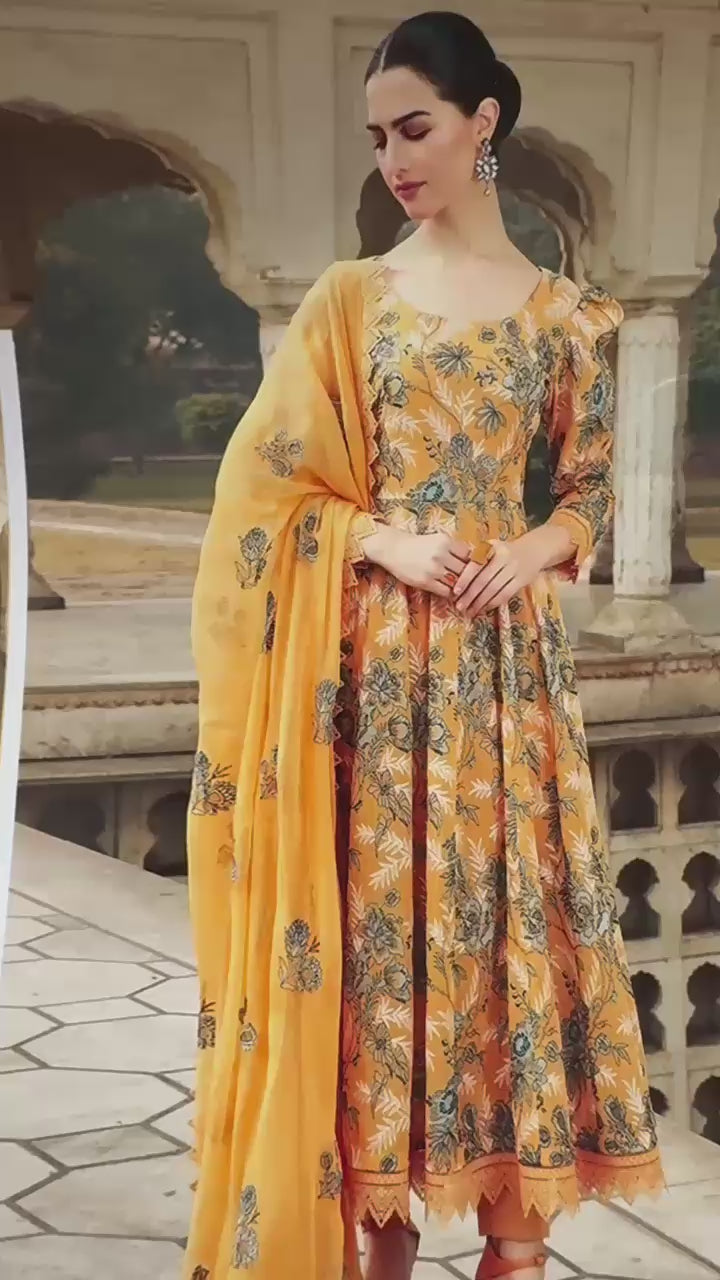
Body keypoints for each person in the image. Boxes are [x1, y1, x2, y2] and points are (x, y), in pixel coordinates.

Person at [183, 12, 664, 1280]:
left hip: (513, 683)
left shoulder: (568, 315)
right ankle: (378, 1242)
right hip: (381, 680)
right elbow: (262, 491)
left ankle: (517, 1239)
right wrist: (379, 539)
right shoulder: (355, 301)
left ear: (480, 123)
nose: (394, 160)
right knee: (383, 953)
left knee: (511, 938)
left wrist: (537, 545)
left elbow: (590, 493)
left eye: (415, 129)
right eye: (378, 138)